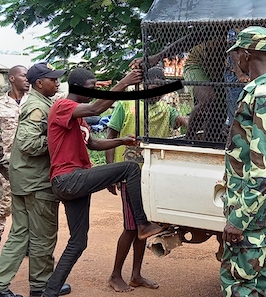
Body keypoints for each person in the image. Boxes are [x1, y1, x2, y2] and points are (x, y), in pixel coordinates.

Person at [40, 68, 164, 297]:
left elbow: (93, 144)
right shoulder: (62, 106)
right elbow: (97, 107)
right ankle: (143, 224)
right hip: (68, 179)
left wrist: (122, 140)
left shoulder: (79, 119)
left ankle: (49, 292)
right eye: (91, 87)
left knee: (78, 243)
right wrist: (125, 81)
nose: (94, 91)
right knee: (129, 168)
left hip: (75, 181)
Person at [106, 67, 187, 293]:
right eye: (155, 88)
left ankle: (135, 275)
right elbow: (110, 136)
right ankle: (115, 275)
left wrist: (193, 119)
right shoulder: (126, 105)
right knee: (132, 228)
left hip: (151, 176)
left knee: (145, 228)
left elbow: (180, 120)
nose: (159, 93)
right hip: (127, 174)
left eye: (162, 89)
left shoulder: (165, 108)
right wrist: (111, 171)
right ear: (144, 85)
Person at [220, 26, 266, 297]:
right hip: (259, 213)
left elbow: (263, 167)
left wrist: (239, 218)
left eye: (237, 54)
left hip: (250, 216)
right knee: (259, 286)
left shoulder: (262, 95)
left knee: (240, 286)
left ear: (246, 55)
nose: (236, 60)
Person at [0, 63, 70, 297]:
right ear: (40, 83)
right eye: (53, 79)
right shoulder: (37, 107)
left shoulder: (41, 102)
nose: (57, 82)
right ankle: (41, 286)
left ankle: (1, 285)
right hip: (36, 182)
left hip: (23, 178)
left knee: (20, 234)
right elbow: (30, 144)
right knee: (43, 235)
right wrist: (58, 142)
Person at [0, 65, 30, 242]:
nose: (27, 79)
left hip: (30, 166)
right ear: (12, 78)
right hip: (6, 167)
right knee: (2, 209)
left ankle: (29, 247)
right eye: (24, 76)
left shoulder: (35, 101)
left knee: (31, 210)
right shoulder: (1, 104)